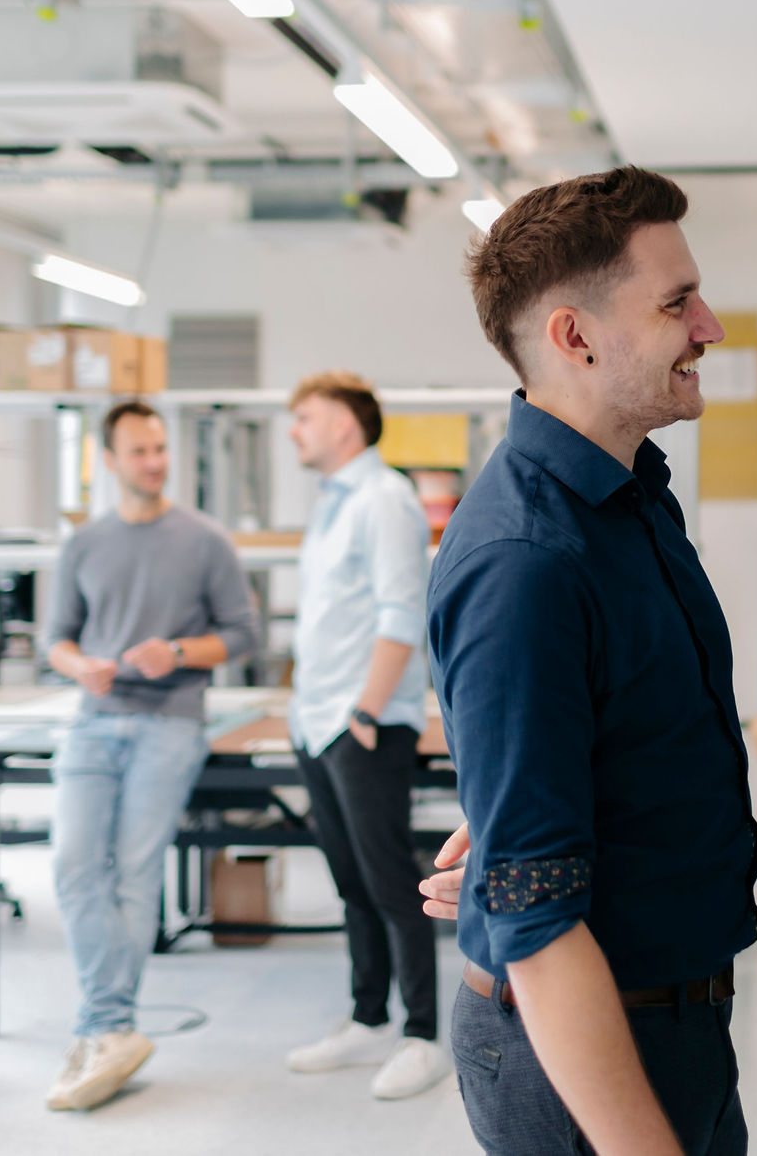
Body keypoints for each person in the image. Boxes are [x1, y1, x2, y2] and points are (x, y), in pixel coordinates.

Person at [425, 166, 757, 1156]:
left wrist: (515, 809)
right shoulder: (527, 561)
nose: (708, 325)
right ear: (574, 337)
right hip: (584, 1047)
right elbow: (534, 927)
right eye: (674, 303)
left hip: (677, 1020)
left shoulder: (627, 497)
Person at [42, 400, 259, 1111]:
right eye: (138, 450)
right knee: (73, 863)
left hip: (170, 722)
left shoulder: (204, 539)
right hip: (95, 718)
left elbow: (242, 634)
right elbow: (57, 639)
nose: (153, 460)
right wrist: (81, 668)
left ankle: (104, 1026)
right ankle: (109, 1024)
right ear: (110, 460)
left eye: (159, 447)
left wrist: (175, 652)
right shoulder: (84, 543)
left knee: (135, 874)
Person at [279, 371, 451, 1099]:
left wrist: (365, 713)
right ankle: (367, 1015)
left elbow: (399, 615)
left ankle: (420, 1033)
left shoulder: (384, 500)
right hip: (316, 721)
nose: (294, 429)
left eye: (305, 417)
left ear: (347, 425)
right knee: (351, 882)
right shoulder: (333, 502)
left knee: (389, 878)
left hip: (362, 723)